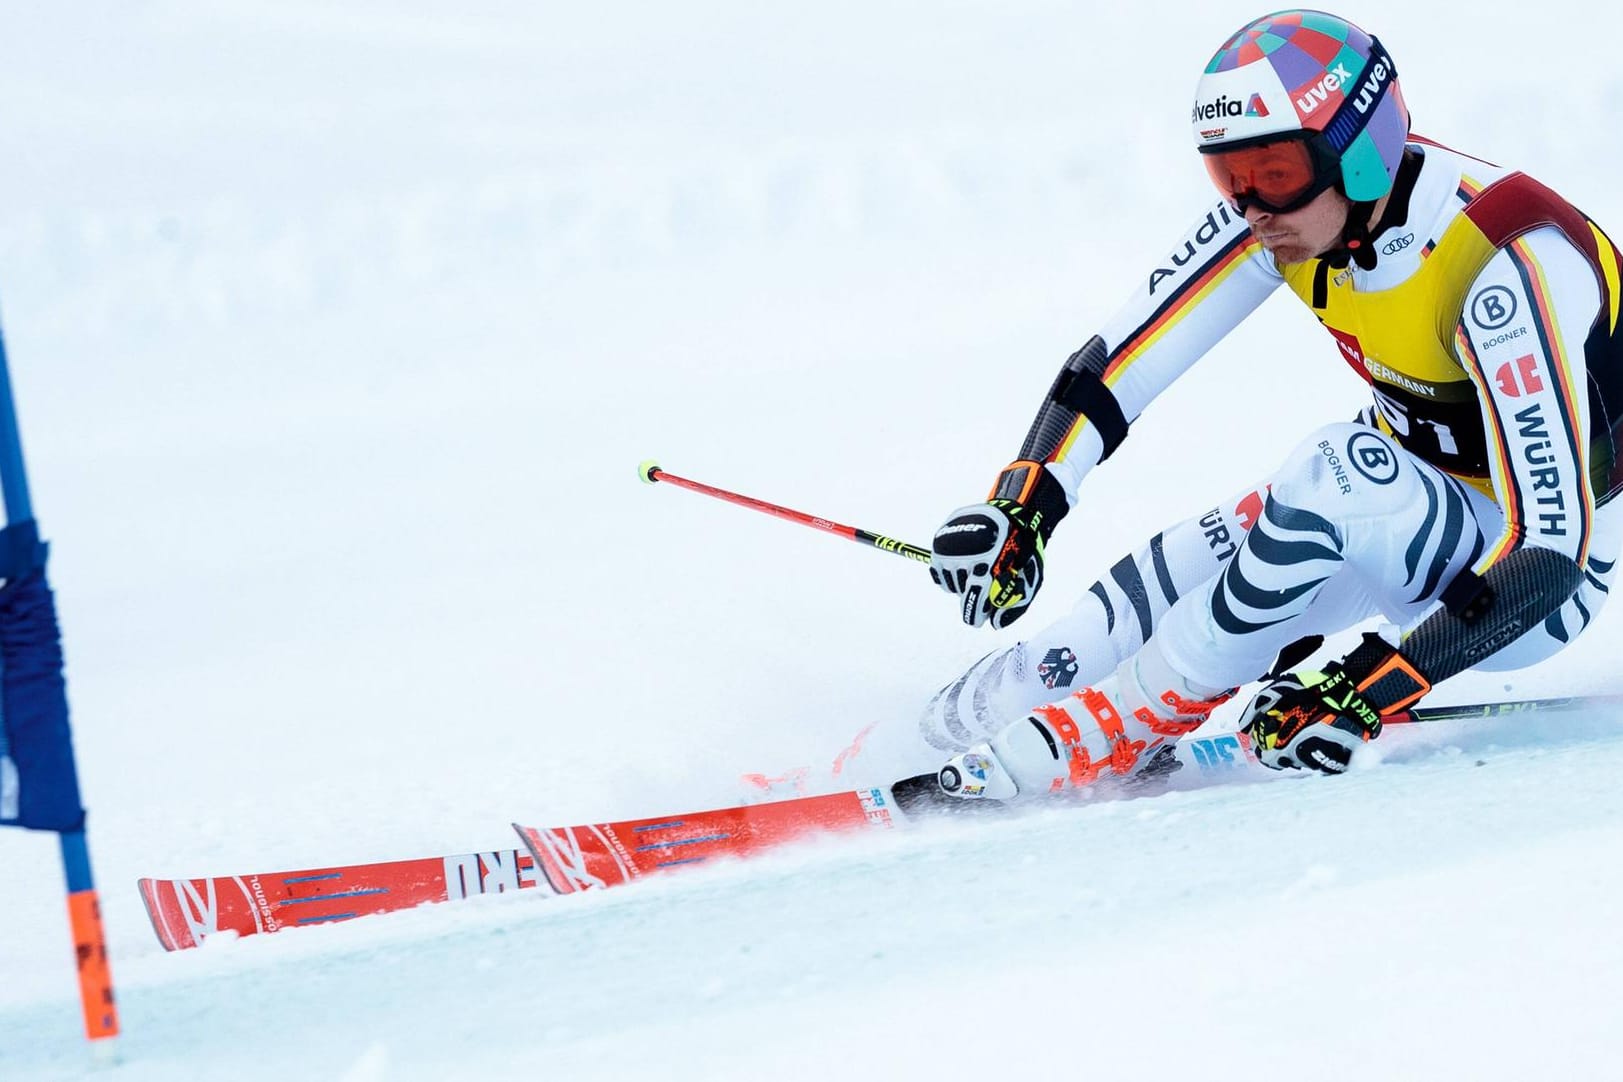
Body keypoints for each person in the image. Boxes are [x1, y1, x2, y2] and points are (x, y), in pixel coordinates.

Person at [919, 9, 1623, 801]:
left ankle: (1118, 724)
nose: (1250, 205)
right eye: (1227, 175)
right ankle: (949, 722)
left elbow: (1554, 547)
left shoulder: (1499, 261)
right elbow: (1116, 363)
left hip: (1532, 580)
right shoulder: (1293, 223)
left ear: (1357, 154)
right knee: (1196, 561)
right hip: (1404, 496)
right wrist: (1026, 502)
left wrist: (1373, 687)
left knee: (1330, 471)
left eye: (1275, 172)